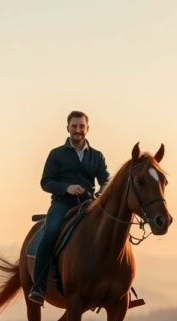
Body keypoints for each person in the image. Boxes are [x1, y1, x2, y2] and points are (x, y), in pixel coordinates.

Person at [28, 111, 110, 306]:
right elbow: (45, 182)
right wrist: (67, 188)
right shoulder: (56, 154)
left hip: (89, 204)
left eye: (82, 127)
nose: (78, 130)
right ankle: (38, 286)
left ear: (87, 129)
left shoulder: (97, 156)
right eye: (74, 126)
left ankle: (118, 288)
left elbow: (106, 181)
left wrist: (101, 195)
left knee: (110, 231)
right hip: (62, 204)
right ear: (68, 129)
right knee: (52, 231)